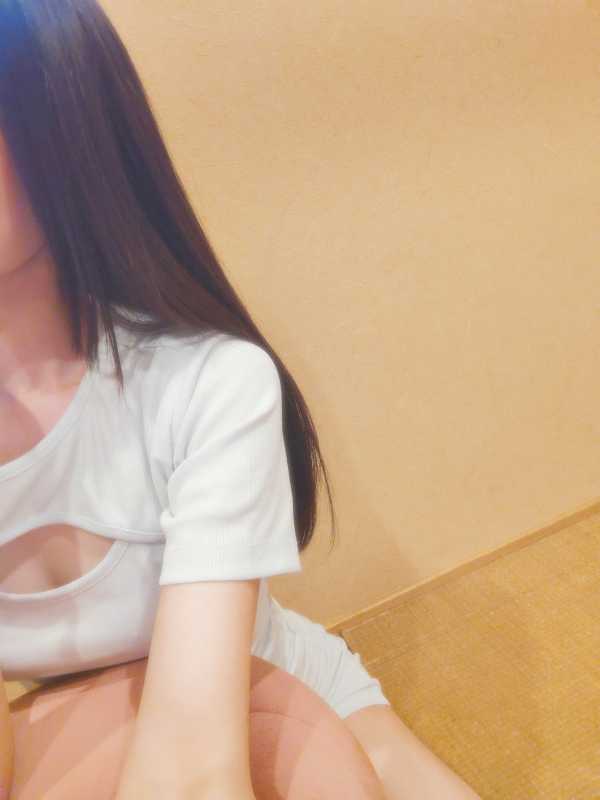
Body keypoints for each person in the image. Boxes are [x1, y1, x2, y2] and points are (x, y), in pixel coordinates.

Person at [0, 1, 482, 798]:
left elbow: (195, 767)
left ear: (62, 122)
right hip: (64, 734)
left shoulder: (207, 384)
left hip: (274, 693)